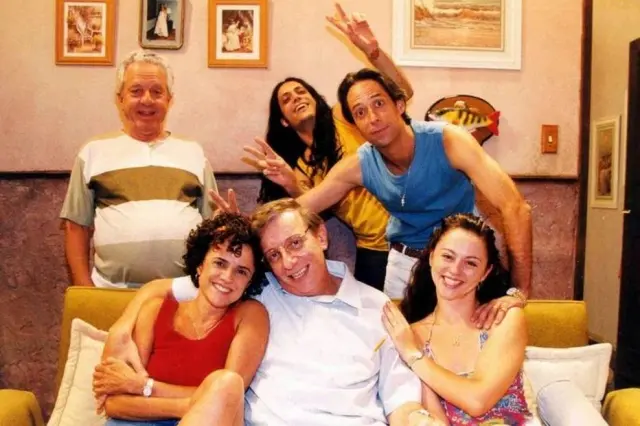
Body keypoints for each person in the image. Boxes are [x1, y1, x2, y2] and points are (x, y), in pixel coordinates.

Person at [97, 199, 434, 426]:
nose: (288, 263)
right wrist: (123, 325)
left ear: (321, 235)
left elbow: (401, 401)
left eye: (295, 243)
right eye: (273, 254)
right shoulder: (257, 289)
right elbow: (169, 288)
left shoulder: (376, 307)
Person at [287, 68, 532, 327]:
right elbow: (301, 208)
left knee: (471, 339)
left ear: (399, 105)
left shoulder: (449, 141)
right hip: (405, 267)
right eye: (360, 112)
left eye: (378, 103)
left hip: (460, 262)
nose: (372, 118)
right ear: (356, 126)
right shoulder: (359, 164)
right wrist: (260, 210)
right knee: (400, 344)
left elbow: (516, 207)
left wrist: (518, 291)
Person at [238, 3, 413, 291]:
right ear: (283, 121)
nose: (297, 97)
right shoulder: (296, 166)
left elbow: (401, 92)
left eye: (301, 91)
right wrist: (292, 184)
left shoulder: (342, 116)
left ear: (314, 98)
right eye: (286, 99)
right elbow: (311, 212)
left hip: (412, 230)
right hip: (373, 249)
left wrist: (373, 52)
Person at [60, 50, 217, 288]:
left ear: (169, 100)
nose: (147, 100)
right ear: (120, 99)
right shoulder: (93, 152)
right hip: (111, 293)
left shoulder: (194, 152)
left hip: (182, 294)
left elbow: (213, 225)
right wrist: (85, 290)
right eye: (136, 91)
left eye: (157, 92)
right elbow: (75, 227)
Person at [94, 213, 269, 426]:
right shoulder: (155, 310)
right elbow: (114, 404)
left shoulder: (250, 316)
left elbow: (228, 397)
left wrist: (143, 387)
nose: (227, 277)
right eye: (220, 263)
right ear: (200, 266)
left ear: (249, 282)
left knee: (226, 382)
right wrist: (190, 405)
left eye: (241, 271)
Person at [382, 213, 538, 425]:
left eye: (470, 263)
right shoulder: (410, 335)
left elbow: (478, 400)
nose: (455, 270)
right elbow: (435, 419)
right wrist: (411, 351)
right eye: (448, 257)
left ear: (485, 272)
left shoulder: (504, 319)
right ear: (431, 257)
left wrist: (413, 356)